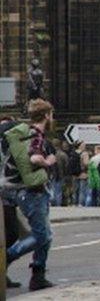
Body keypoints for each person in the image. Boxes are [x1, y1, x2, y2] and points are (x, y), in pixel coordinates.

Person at [5, 99, 57, 290]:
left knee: (46, 236)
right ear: (46, 115)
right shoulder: (36, 135)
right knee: (41, 236)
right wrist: (49, 161)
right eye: (51, 114)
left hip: (30, 192)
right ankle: (6, 258)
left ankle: (38, 274)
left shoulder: (26, 133)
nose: (53, 118)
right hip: (32, 193)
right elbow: (35, 157)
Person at [1, 115, 23, 289]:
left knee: (12, 234)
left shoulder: (10, 149)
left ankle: (3, 272)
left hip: (9, 195)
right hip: (5, 195)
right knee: (12, 233)